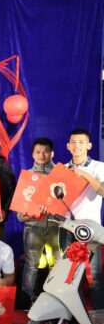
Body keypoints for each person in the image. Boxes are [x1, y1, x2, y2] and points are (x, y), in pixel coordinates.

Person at [62, 128, 104, 309]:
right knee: (69, 275)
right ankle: (74, 317)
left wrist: (83, 174)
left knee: (94, 275)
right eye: (73, 142)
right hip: (66, 226)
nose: (77, 146)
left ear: (89, 145)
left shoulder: (98, 166)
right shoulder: (62, 169)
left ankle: (100, 316)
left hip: (90, 227)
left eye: (81, 142)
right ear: (68, 146)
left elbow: (103, 191)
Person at [17, 137, 60, 301]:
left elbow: (68, 202)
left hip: (56, 226)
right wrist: (22, 215)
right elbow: (20, 207)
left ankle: (56, 298)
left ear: (52, 153)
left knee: (57, 265)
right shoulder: (27, 176)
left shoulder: (60, 174)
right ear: (33, 154)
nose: (42, 155)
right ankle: (27, 299)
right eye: (38, 152)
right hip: (33, 226)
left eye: (46, 151)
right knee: (31, 265)